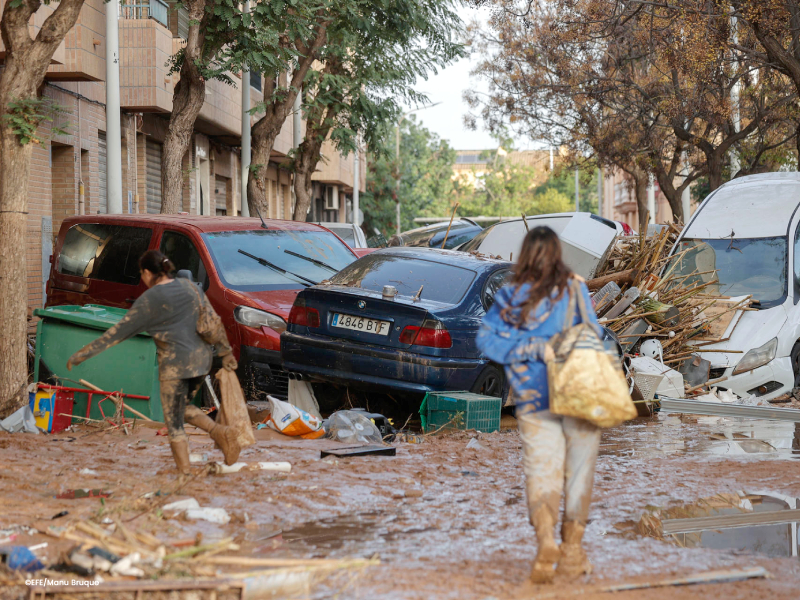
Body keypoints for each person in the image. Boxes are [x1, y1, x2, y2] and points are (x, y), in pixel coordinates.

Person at [477, 226, 602, 584]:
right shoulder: (575, 288)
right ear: (558, 253)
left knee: (541, 472)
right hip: (576, 396)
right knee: (578, 474)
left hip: (532, 401)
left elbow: (486, 341)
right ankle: (573, 553)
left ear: (526, 254)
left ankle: (546, 542)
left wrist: (527, 349)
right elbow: (592, 335)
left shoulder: (511, 296)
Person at [67, 250, 241, 475]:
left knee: (174, 422)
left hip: (176, 366)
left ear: (148, 273)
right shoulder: (189, 287)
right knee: (182, 408)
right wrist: (226, 353)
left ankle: (185, 474)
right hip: (202, 361)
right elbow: (212, 322)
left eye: (142, 273)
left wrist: (82, 354)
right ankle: (219, 433)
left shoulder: (148, 300)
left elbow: (117, 333)